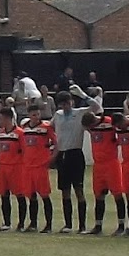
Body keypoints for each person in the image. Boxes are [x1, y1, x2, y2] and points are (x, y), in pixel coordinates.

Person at [51, 89, 99, 233]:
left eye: (67, 102)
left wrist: (83, 95)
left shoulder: (79, 113)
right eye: (63, 104)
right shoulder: (58, 116)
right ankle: (68, 224)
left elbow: (97, 107)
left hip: (75, 154)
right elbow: (49, 126)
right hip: (62, 154)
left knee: (78, 190)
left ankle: (82, 225)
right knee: (64, 191)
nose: (65, 106)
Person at [82, 111, 123, 237]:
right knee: (98, 195)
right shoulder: (91, 127)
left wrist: (116, 142)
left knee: (117, 194)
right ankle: (98, 225)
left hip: (111, 163)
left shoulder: (109, 122)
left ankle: (121, 225)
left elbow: (120, 132)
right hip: (98, 165)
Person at [19, 104, 56, 233]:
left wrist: (51, 159)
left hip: (40, 166)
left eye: (38, 114)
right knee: (31, 195)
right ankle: (33, 223)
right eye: (34, 114)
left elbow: (56, 143)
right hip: (27, 166)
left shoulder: (46, 128)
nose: (36, 117)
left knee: (45, 195)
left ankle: (49, 224)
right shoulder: (24, 128)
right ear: (29, 115)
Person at [0, 106, 26, 231]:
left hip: (16, 167)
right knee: (4, 195)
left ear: (8, 118)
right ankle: (6, 223)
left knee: (19, 195)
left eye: (1, 118)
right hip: (3, 167)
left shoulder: (20, 133)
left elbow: (24, 151)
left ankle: (21, 223)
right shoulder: (1, 133)